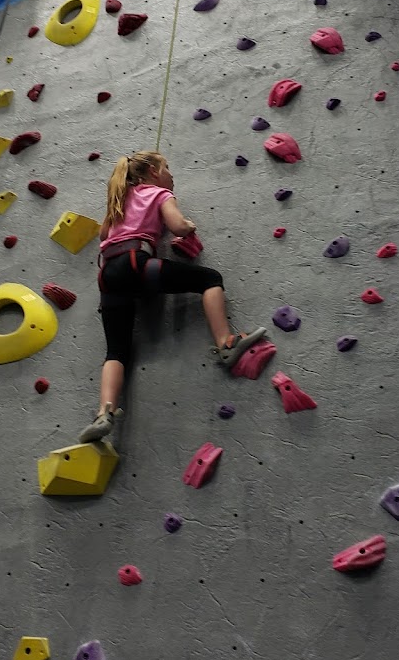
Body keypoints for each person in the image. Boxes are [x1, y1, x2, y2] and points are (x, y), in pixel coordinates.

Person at [78, 151, 266, 443]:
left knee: (117, 351)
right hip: (136, 263)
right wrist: (188, 227)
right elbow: (177, 226)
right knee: (209, 279)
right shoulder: (160, 193)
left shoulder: (119, 199)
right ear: (153, 172)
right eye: (167, 167)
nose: (171, 174)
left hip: (108, 275)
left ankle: (104, 412)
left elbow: (104, 235)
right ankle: (226, 343)